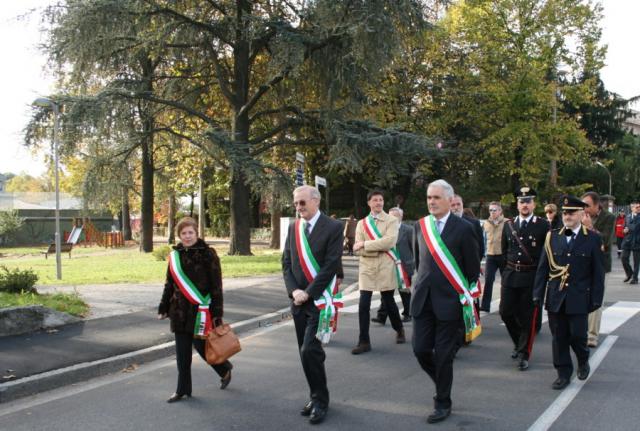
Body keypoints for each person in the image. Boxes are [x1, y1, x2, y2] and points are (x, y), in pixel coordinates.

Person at [412, 179, 480, 424]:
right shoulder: (420, 226)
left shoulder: (464, 228)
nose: (431, 202)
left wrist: (457, 293)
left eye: (436, 198)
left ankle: (443, 401)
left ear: (450, 201)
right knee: (420, 350)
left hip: (449, 304)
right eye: (429, 197)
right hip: (423, 301)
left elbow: (472, 269)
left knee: (443, 356)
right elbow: (419, 262)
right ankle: (442, 381)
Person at [282, 185, 343, 425]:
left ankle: (320, 401)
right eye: (296, 204)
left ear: (316, 201)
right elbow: (286, 262)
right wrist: (294, 290)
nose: (298, 208)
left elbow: (330, 265)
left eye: (302, 203)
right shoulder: (293, 227)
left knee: (310, 350)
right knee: (305, 354)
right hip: (298, 301)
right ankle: (315, 394)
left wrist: (308, 293)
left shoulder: (334, 227)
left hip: (320, 302)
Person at [157, 217, 232, 403]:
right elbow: (169, 283)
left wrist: (217, 313)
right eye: (184, 233)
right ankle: (182, 390)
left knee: (203, 347)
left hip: (201, 311)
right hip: (179, 312)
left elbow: (217, 285)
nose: (187, 236)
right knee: (182, 354)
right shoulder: (175, 256)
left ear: (197, 233)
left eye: (190, 232)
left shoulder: (208, 254)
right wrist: (163, 306)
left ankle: (224, 369)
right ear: (179, 236)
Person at [533, 195, 605, 390]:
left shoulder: (592, 238)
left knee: (578, 336)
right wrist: (538, 293)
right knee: (559, 338)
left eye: (572, 212)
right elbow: (543, 267)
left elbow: (598, 272)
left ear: (582, 214)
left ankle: (582, 359)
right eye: (565, 212)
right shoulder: (553, 236)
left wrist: (596, 298)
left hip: (579, 296)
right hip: (556, 295)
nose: (568, 216)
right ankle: (563, 373)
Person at [500, 187, 549, 371]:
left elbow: (547, 254)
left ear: (534, 204)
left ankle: (523, 353)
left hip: (531, 276)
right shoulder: (509, 224)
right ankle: (518, 341)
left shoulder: (543, 225)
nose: (525, 204)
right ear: (517, 204)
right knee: (505, 312)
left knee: (528, 317)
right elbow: (504, 251)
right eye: (522, 201)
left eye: (528, 201)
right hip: (511, 274)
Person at [351, 190, 406, 354]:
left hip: (385, 266)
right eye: (375, 200)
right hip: (367, 268)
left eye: (381, 200)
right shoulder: (362, 223)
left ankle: (399, 329)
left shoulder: (391, 220)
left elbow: (389, 242)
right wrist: (372, 247)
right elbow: (356, 249)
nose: (379, 203)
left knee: (389, 303)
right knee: (363, 305)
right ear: (369, 203)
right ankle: (364, 341)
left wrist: (366, 245)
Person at [581, 191, 615, 348]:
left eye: (587, 205)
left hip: (601, 265)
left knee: (596, 300)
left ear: (597, 205)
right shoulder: (579, 216)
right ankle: (580, 331)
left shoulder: (608, 218)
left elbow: (606, 241)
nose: (585, 209)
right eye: (583, 205)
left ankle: (592, 336)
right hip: (583, 263)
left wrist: (590, 227)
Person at [372, 207, 413, 324]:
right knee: (386, 292)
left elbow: (414, 247)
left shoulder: (409, 230)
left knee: (404, 292)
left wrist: (412, 263)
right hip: (388, 265)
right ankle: (381, 316)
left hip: (404, 266)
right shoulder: (384, 230)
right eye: (389, 216)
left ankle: (407, 314)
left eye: (395, 216)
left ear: (401, 217)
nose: (392, 219)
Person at [482, 202, 506, 312]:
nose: (492, 212)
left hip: (503, 255)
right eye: (490, 210)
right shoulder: (486, 223)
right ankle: (485, 306)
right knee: (488, 280)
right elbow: (483, 239)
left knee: (505, 282)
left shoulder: (507, 223)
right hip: (490, 256)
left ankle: (504, 306)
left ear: (500, 211)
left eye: (494, 210)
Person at [621, 199, 640, 285]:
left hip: (637, 241)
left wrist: (628, 228)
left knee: (636, 261)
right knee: (623, 258)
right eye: (635, 207)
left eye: (638, 207)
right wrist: (624, 230)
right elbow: (624, 227)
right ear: (631, 208)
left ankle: (635, 278)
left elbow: (635, 227)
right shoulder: (627, 217)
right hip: (627, 241)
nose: (637, 208)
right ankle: (629, 274)